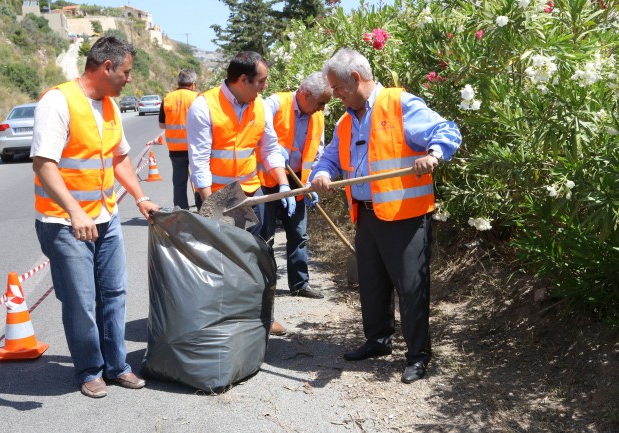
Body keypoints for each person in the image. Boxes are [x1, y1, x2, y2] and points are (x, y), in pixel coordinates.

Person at [309, 48, 462, 384]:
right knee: (373, 284)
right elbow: (329, 159)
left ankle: (418, 355)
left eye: (337, 88)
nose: (334, 95)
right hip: (366, 216)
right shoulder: (346, 121)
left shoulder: (400, 105)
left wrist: (433, 155)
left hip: (405, 217)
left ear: (357, 79)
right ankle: (378, 341)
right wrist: (321, 174)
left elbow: (447, 132)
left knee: (410, 288)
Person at [31, 36, 159, 398]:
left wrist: (140, 196)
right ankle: (89, 370)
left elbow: (118, 158)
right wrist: (75, 211)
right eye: (126, 72)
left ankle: (116, 366)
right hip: (64, 223)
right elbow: (44, 164)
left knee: (114, 293)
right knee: (81, 301)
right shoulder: (58, 102)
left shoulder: (109, 107)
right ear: (106, 67)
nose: (129, 80)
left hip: (105, 217)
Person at [187, 51, 295, 335]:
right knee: (222, 261)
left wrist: (283, 184)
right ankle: (224, 323)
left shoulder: (259, 106)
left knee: (260, 256)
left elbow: (270, 149)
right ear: (242, 80)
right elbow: (198, 163)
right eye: (260, 81)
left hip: (251, 193)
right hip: (219, 196)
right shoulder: (204, 106)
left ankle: (262, 317)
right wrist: (211, 207)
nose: (264, 88)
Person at [258, 72, 331, 299]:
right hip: (268, 180)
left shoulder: (318, 116)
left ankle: (300, 284)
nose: (322, 108)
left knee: (299, 234)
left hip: (299, 181)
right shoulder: (276, 104)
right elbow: (255, 126)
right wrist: (273, 148)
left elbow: (318, 153)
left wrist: (311, 184)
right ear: (306, 94)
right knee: (264, 237)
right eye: (320, 102)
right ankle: (263, 288)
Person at [159, 68, 201, 210]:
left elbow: (162, 124)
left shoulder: (167, 99)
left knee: (179, 182)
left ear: (178, 82)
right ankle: (203, 208)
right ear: (193, 84)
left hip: (175, 149)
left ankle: (181, 211)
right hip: (195, 147)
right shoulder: (197, 98)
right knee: (199, 178)